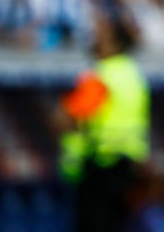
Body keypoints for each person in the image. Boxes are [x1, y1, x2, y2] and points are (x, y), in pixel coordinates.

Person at [57, 15, 150, 232]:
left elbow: (66, 117)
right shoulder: (134, 74)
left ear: (115, 43)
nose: (94, 39)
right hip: (129, 166)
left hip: (100, 164)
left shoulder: (101, 76)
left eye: (100, 35)